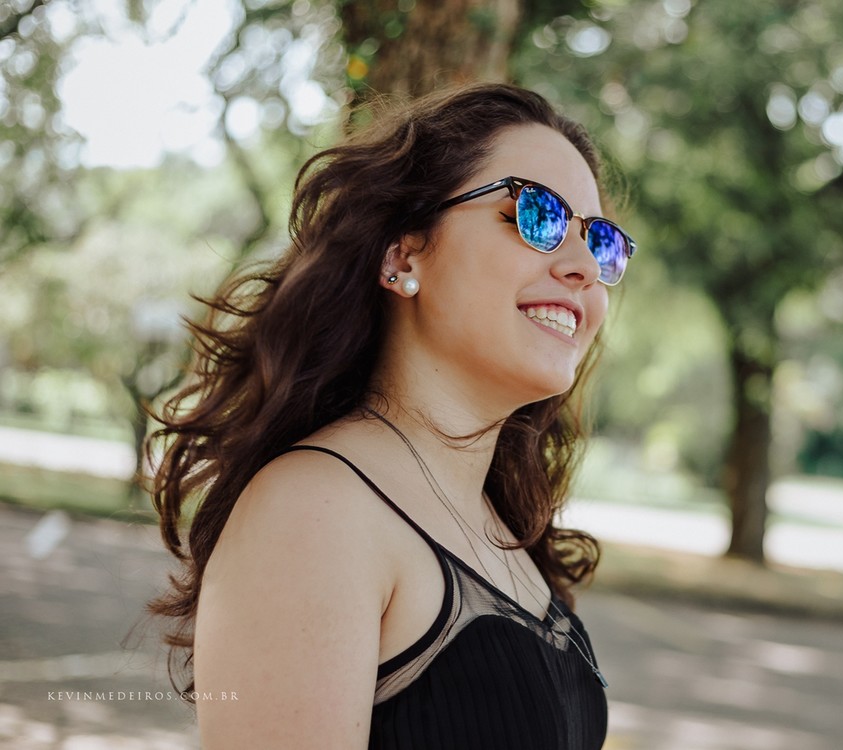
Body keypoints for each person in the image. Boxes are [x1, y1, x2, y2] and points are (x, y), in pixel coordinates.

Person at [145, 82, 636, 749]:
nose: (582, 266)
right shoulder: (315, 511)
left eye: (600, 240)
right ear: (404, 257)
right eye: (538, 216)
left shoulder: (501, 525)